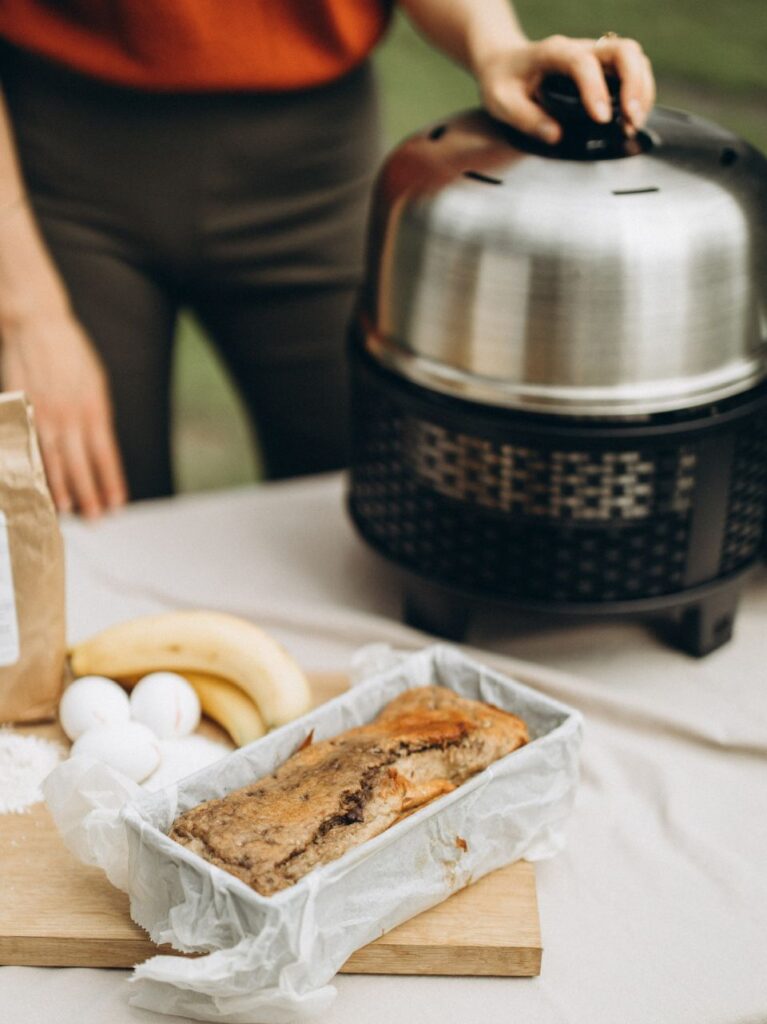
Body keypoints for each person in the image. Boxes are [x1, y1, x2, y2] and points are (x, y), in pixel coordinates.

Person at [0, 1, 655, 518]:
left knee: (381, 502)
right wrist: (25, 310)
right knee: (91, 525)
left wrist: (495, 43)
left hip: (312, 168)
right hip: (54, 169)